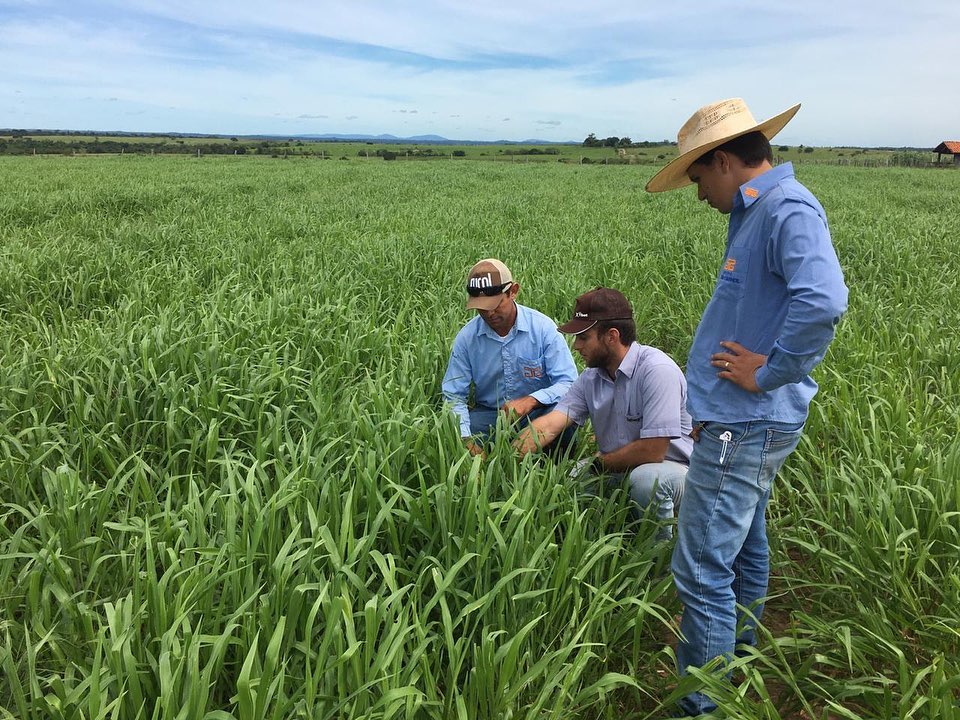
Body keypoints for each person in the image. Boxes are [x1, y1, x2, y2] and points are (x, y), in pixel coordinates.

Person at [646, 98, 849, 716]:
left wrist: (771, 371)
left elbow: (823, 301)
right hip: (740, 422)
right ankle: (739, 658)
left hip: (747, 422)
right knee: (746, 541)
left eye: (699, 177)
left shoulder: (786, 208)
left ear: (727, 161)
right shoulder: (756, 213)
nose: (698, 192)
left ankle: (701, 704)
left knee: (703, 560)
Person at [515, 288, 692, 539]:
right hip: (619, 467)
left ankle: (658, 564)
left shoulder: (657, 370)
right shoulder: (591, 378)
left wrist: (600, 464)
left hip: (675, 471)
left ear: (612, 336)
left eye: (583, 337)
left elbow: (653, 450)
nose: (576, 346)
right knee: (569, 479)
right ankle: (597, 543)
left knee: (646, 480)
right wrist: (506, 456)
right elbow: (550, 425)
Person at [442, 258, 578, 454]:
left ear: (513, 291)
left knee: (563, 421)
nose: (489, 313)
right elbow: (453, 395)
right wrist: (465, 439)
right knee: (454, 435)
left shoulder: (543, 328)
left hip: (539, 411)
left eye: (496, 304)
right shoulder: (467, 338)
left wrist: (531, 400)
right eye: (481, 307)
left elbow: (569, 383)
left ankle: (550, 468)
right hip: (492, 415)